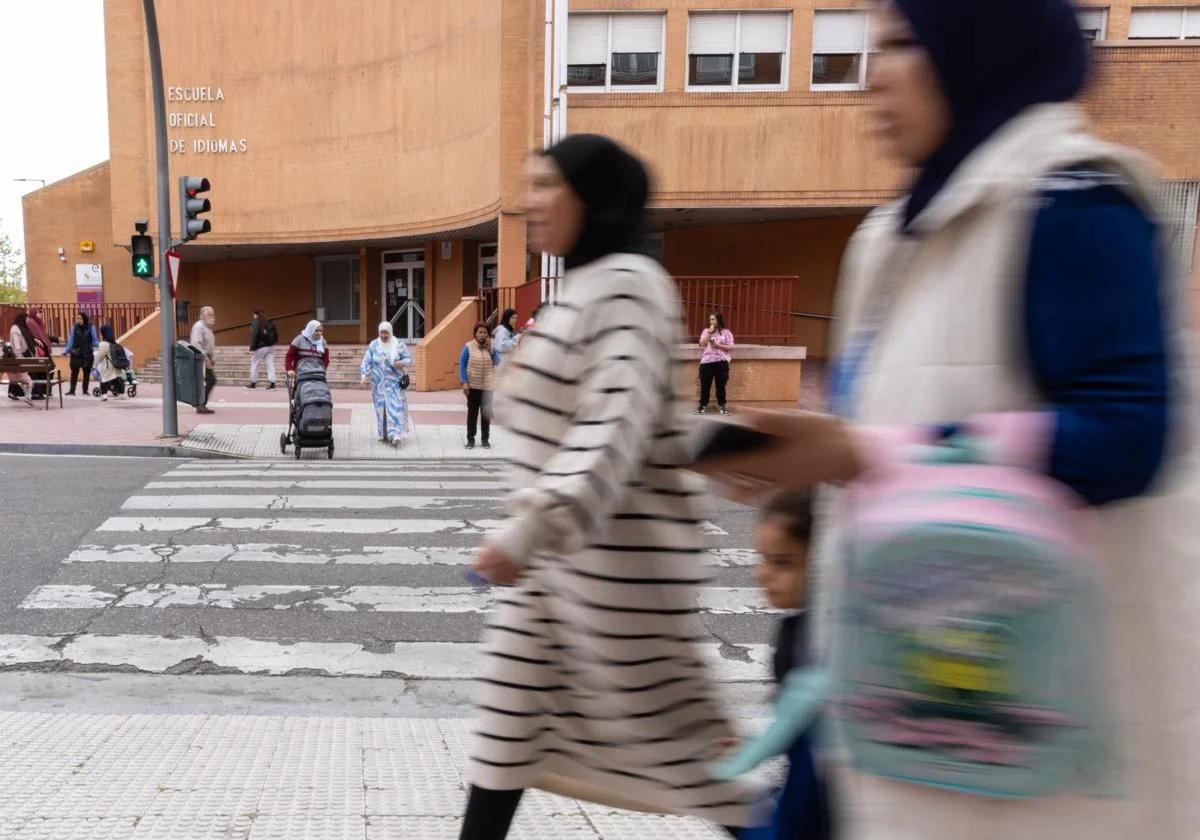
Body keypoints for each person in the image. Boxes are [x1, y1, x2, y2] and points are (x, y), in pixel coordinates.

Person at [694, 1, 1199, 837]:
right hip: (916, 703)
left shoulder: (1074, 206)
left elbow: (1129, 438)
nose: (870, 76)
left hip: (1040, 748)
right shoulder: (898, 237)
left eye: (900, 44)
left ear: (977, 45)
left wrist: (859, 451)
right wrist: (810, 460)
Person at [458, 134, 761, 840]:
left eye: (546, 186)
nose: (530, 203)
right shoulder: (584, 288)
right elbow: (648, 422)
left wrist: (531, 525)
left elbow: (612, 418)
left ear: (592, 199)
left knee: (686, 759)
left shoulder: (627, 283)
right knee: (504, 734)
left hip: (617, 572)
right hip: (556, 573)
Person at [713, 489, 835, 840]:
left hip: (820, 782)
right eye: (763, 558)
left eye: (782, 563)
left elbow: (800, 713)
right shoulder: (808, 626)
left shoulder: (810, 636)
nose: (761, 575)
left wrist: (750, 752)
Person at [360, 321, 413, 445]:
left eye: (386, 333)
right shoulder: (374, 345)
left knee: (394, 408)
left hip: (394, 384)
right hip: (378, 385)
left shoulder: (399, 345)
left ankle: (395, 434)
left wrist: (401, 363)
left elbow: (409, 360)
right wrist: (364, 375)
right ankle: (384, 433)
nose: (384, 335)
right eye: (382, 332)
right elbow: (367, 361)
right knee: (381, 409)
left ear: (391, 332)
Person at [458, 322, 498, 450]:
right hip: (473, 386)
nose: (482, 335)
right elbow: (462, 365)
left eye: (485, 332)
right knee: (472, 414)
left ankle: (485, 440)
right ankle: (471, 440)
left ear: (488, 334)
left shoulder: (491, 347)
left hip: (488, 387)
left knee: (486, 415)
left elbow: (497, 361)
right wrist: (465, 383)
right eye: (480, 332)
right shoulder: (468, 347)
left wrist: (491, 350)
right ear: (475, 334)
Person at [698, 312, 735, 415]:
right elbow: (702, 344)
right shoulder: (706, 331)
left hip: (721, 362)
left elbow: (731, 347)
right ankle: (702, 405)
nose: (711, 321)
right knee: (705, 385)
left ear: (718, 320)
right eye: (710, 320)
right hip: (707, 361)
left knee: (721, 385)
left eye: (713, 319)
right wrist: (709, 332)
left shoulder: (726, 332)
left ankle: (722, 406)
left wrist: (718, 346)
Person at [63, 311, 100, 396]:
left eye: (80, 318)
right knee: (74, 373)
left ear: (84, 319)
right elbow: (71, 340)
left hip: (87, 353)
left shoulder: (91, 327)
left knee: (86, 373)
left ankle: (85, 391)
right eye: (77, 318)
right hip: (76, 353)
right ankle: (72, 391)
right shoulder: (74, 328)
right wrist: (66, 350)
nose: (78, 320)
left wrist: (101, 345)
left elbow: (94, 340)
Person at [189, 306, 217, 414]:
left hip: (206, 357)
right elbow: (196, 344)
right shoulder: (199, 327)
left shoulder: (207, 327)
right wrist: (206, 359)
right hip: (200, 358)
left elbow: (208, 344)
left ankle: (200, 404)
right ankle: (200, 404)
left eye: (213, 314)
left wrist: (212, 357)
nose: (212, 316)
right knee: (209, 380)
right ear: (203, 315)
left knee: (207, 381)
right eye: (210, 314)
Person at [6, 313, 38, 405]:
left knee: (24, 377)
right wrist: (20, 358)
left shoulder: (22, 327)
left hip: (21, 358)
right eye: (26, 319)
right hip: (19, 358)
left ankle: (27, 395)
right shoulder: (16, 328)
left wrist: (35, 341)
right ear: (22, 319)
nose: (27, 321)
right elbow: (17, 346)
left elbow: (28, 338)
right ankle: (27, 396)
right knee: (25, 378)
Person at [246, 308, 278, 390]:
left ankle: (253, 383)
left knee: (255, 363)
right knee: (270, 364)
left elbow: (254, 335)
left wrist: (252, 348)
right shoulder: (269, 322)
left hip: (261, 347)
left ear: (255, 314)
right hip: (271, 346)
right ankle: (272, 384)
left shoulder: (256, 322)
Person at [93, 324, 126, 401]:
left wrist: (95, 364)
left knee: (104, 379)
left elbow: (100, 355)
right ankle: (122, 393)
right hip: (117, 364)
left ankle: (104, 394)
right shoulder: (114, 342)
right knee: (116, 379)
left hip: (107, 365)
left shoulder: (103, 344)